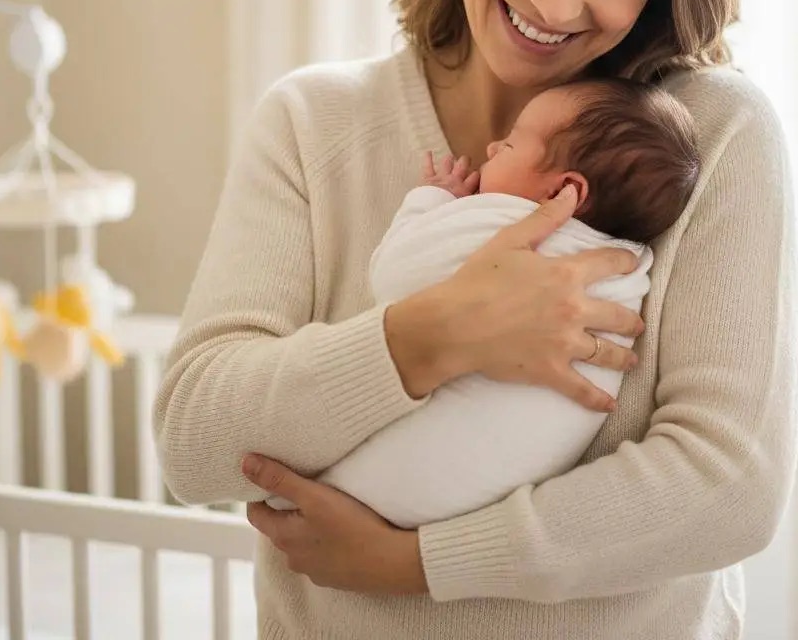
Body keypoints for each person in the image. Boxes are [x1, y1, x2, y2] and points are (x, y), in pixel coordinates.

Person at [154, 0, 798, 640]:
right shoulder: (315, 123)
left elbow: (731, 488)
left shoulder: (712, 138)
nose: (558, 5)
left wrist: (419, 564)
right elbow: (194, 446)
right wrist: (434, 334)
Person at [265, 79, 701, 528]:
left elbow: (395, 274)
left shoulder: (502, 220)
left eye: (509, 145)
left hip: (408, 479)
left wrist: (432, 200)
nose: (491, 149)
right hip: (496, 488)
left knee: (281, 478)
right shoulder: (628, 268)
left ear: (561, 194)